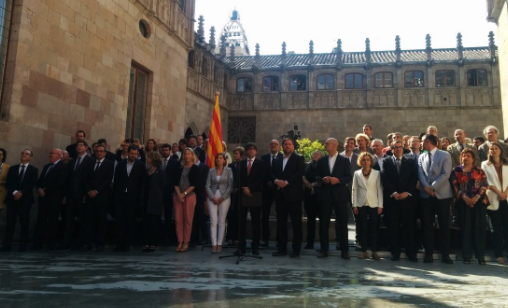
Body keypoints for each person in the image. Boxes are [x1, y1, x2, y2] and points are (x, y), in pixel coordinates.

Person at [418, 134, 454, 264]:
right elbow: (420, 173)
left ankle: (445, 254)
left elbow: (446, 174)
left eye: (422, 141)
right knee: (427, 225)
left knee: (444, 224)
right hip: (426, 196)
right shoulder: (422, 156)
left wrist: (433, 187)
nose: (420, 143)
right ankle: (429, 254)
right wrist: (426, 187)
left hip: (442, 195)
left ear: (427, 142)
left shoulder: (445, 155)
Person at [381, 140, 418, 262]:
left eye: (400, 147)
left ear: (403, 148)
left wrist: (407, 192)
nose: (398, 149)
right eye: (395, 147)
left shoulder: (411, 161)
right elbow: (384, 178)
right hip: (392, 200)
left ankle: (410, 252)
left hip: (407, 199)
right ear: (391, 149)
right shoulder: (385, 161)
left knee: (409, 226)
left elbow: (414, 177)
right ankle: (395, 252)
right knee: (393, 227)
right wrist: (394, 193)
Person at [315, 138, 352, 259]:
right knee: (323, 223)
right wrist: (323, 179)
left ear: (334, 145)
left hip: (340, 195)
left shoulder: (344, 160)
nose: (325, 145)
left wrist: (339, 180)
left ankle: (344, 250)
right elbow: (317, 176)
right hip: (325, 196)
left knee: (342, 223)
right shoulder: (322, 160)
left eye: (327, 143)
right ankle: (323, 249)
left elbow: (348, 177)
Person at [450, 148, 488, 265]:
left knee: (479, 229)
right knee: (466, 230)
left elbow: (484, 185)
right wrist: (465, 198)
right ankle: (467, 256)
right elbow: (455, 186)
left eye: (468, 156)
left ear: (473, 159)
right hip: (463, 203)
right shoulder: (456, 171)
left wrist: (476, 198)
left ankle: (480, 256)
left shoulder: (479, 170)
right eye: (463, 156)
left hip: (478, 203)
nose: (465, 158)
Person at [271, 138, 305, 258]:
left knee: (296, 223)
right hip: (280, 196)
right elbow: (272, 173)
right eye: (285, 144)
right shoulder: (278, 159)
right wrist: (276, 181)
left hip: (294, 196)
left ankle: (296, 250)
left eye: (290, 144)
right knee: (281, 223)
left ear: (293, 146)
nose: (287, 146)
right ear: (282, 146)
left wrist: (286, 182)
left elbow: (299, 173)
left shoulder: (299, 158)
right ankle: (282, 248)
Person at [1, 149, 38, 251]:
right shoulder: (13, 168)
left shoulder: (33, 170)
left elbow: (32, 184)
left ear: (30, 157)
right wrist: (14, 192)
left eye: (27, 154)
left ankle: (23, 245)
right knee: (10, 222)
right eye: (22, 153)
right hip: (12, 199)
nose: (24, 155)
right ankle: (7, 244)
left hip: (25, 200)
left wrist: (21, 192)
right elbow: (9, 182)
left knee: (24, 222)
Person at [33, 149, 68, 250]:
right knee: (41, 220)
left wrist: (46, 190)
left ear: (58, 155)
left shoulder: (63, 166)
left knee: (53, 221)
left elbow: (60, 182)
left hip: (54, 198)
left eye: (51, 153)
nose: (49, 155)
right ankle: (38, 243)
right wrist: (39, 189)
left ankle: (51, 243)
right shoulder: (46, 166)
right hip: (43, 198)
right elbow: (40, 180)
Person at [81, 145, 114, 252]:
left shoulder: (109, 164)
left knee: (101, 221)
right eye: (97, 151)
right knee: (89, 220)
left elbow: (108, 180)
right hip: (90, 196)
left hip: (102, 197)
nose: (99, 153)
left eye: (101, 151)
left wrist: (97, 191)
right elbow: (85, 178)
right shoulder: (89, 162)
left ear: (105, 153)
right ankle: (88, 243)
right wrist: (89, 191)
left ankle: (100, 243)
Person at [62, 141, 95, 249]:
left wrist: (87, 192)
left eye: (81, 145)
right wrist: (66, 194)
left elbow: (90, 178)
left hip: (82, 194)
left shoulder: (90, 161)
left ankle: (81, 242)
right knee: (69, 219)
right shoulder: (73, 161)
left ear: (86, 147)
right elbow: (68, 178)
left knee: (82, 219)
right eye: (78, 146)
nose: (79, 147)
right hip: (71, 194)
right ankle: (67, 242)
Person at [235, 142, 266, 256]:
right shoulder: (241, 163)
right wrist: (244, 188)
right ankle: (241, 247)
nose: (251, 151)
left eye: (253, 149)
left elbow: (262, 178)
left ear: (256, 151)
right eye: (249, 149)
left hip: (255, 194)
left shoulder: (261, 163)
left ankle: (255, 246)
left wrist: (251, 189)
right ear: (246, 151)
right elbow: (239, 177)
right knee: (241, 222)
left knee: (256, 222)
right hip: (243, 194)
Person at [113, 145, 145, 252]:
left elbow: (141, 183)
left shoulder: (141, 166)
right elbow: (116, 181)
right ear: (128, 153)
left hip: (133, 198)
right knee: (120, 220)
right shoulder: (121, 164)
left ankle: (127, 244)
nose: (133, 156)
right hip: (121, 197)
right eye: (132, 154)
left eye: (135, 154)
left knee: (130, 221)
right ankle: (119, 243)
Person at [352, 152, 383, 260]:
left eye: (368, 160)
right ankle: (364, 250)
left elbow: (380, 189)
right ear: (361, 161)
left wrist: (380, 205)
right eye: (364, 160)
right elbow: (354, 190)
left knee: (374, 227)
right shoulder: (357, 173)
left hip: (374, 203)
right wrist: (354, 205)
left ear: (371, 161)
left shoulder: (377, 173)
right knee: (363, 227)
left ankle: (374, 251)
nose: (366, 161)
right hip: (361, 203)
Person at [482, 142, 508, 264]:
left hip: (506, 198)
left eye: (495, 148)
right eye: (491, 149)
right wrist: (499, 192)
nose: (493, 150)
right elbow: (487, 181)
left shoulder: (507, 163)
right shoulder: (485, 164)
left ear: (500, 150)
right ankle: (498, 254)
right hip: (494, 198)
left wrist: (505, 192)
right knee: (495, 227)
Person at [205, 153, 234, 253]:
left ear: (224, 160)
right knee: (213, 220)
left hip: (224, 198)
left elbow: (230, 185)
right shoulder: (211, 170)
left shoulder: (228, 170)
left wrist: (222, 197)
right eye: (217, 158)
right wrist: (212, 197)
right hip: (212, 197)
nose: (219, 160)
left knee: (222, 221)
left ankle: (219, 243)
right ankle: (213, 243)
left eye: (221, 158)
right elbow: (207, 185)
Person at [173, 148, 199, 252]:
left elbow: (194, 184)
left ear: (192, 156)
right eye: (185, 154)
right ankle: (180, 241)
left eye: (189, 154)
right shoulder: (179, 167)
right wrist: (179, 194)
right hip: (177, 195)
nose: (187, 156)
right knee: (178, 219)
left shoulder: (195, 168)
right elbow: (175, 182)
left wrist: (184, 194)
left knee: (188, 219)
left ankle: (186, 241)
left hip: (189, 195)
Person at [140, 151, 167, 252]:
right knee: (146, 222)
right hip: (146, 199)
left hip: (155, 200)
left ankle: (153, 243)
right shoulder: (147, 171)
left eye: (149, 157)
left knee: (154, 222)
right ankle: (146, 242)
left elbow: (164, 185)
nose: (147, 159)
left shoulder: (160, 171)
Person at [260, 139, 282, 247]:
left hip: (279, 190)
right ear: (270, 146)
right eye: (272, 144)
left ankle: (279, 239)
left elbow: (283, 172)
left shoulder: (283, 157)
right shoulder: (264, 158)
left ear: (279, 146)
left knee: (280, 214)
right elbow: (262, 172)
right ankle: (265, 238)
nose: (274, 146)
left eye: (276, 144)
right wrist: (268, 181)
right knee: (265, 215)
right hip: (267, 189)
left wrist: (278, 182)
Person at [341, 136, 361, 250]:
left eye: (352, 143)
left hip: (355, 190)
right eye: (348, 142)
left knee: (357, 216)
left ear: (355, 146)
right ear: (344, 144)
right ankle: (341, 241)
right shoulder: (338, 157)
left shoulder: (359, 158)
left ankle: (358, 240)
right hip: (341, 190)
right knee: (342, 216)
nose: (350, 144)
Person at [302, 150, 323, 250]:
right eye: (314, 154)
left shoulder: (323, 166)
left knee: (323, 220)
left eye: (318, 154)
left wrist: (314, 185)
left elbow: (323, 179)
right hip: (309, 195)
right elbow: (303, 176)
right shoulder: (307, 166)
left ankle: (323, 243)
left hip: (320, 195)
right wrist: (308, 185)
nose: (315, 155)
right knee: (310, 220)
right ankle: (310, 242)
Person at [191, 149, 210, 245]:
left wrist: (194, 187)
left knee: (201, 216)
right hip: (190, 195)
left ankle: (205, 237)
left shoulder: (204, 167)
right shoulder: (189, 166)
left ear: (196, 156)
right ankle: (194, 237)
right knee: (192, 217)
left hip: (200, 194)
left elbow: (204, 181)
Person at [226, 146, 244, 246]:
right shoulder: (231, 166)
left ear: (241, 155)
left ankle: (237, 237)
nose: (235, 155)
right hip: (231, 194)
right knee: (231, 216)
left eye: (236, 153)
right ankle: (230, 236)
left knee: (238, 216)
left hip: (240, 195)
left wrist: (239, 188)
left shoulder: (243, 165)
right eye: (234, 153)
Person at [0, 148, 10, 215]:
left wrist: (2, 182)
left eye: (0, 154)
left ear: (3, 156)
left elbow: (10, 182)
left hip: (1, 194)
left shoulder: (8, 167)